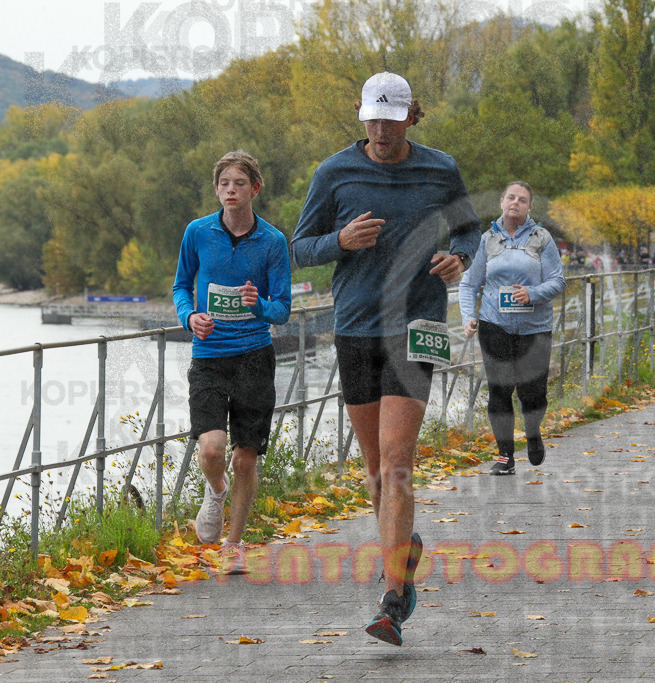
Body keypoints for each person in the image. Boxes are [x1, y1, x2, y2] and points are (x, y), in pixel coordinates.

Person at [291, 72, 481, 646]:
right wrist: (340, 242)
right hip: (355, 326)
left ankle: (393, 596)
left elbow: (472, 230)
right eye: (370, 118)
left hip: (417, 323)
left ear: (409, 117)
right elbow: (300, 247)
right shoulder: (335, 172)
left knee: (398, 457)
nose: (378, 128)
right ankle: (406, 548)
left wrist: (459, 259)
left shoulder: (440, 169)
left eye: (389, 118)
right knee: (375, 470)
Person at [172, 150, 292, 573]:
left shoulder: (273, 242)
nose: (231, 190)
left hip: (254, 357)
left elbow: (283, 309)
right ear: (216, 189)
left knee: (246, 457)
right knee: (211, 449)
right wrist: (190, 316)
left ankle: (235, 544)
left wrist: (258, 304)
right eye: (224, 184)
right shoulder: (198, 233)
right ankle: (216, 491)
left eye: (239, 184)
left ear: (254, 189)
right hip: (209, 355)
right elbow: (181, 286)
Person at [459, 181, 565, 475]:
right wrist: (468, 316)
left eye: (522, 200)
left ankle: (533, 431)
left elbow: (558, 281)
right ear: (501, 203)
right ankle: (505, 456)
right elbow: (470, 283)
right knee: (499, 390)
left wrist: (532, 293)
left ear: (530, 207)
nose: (515, 203)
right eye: (510, 198)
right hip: (495, 325)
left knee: (533, 394)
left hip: (535, 328)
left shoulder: (542, 238)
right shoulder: (487, 240)